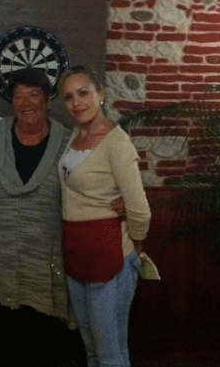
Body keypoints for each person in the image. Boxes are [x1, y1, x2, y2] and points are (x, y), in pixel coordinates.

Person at [0, 67, 81, 367]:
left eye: (33, 95)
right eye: (18, 96)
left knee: (43, 347)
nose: (26, 103)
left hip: (44, 264)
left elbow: (87, 185)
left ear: (48, 100)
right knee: (4, 347)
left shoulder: (67, 141)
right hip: (0, 263)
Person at [58, 65, 151, 367]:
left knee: (110, 354)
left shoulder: (116, 142)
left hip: (111, 254)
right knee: (91, 349)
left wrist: (135, 247)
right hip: (77, 252)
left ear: (100, 94)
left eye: (83, 93)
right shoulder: (77, 134)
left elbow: (139, 208)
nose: (76, 103)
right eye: (68, 97)